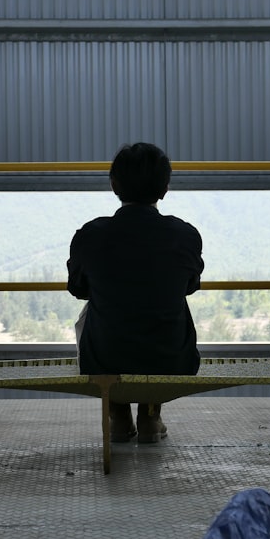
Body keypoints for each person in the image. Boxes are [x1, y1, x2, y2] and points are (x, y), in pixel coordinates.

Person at [67, 142, 204, 444]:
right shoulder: (185, 235)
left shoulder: (91, 235)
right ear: (165, 188)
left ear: (114, 184)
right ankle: (151, 416)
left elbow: (78, 289)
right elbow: (190, 286)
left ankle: (118, 417)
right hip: (172, 360)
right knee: (167, 304)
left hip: (105, 359)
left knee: (96, 312)